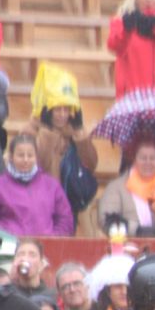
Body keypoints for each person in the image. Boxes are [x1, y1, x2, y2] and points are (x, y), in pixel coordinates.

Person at [22, 65, 99, 231]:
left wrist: (81, 138)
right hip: (40, 203)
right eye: (58, 109)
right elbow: (37, 164)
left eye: (67, 109)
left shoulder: (75, 132)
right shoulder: (30, 131)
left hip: (70, 202)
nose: (63, 114)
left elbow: (92, 164)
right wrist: (48, 136)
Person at [0, 133, 73, 236]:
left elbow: (65, 219)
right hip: (10, 245)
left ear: (36, 157)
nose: (26, 160)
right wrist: (6, 236)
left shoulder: (51, 185)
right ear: (11, 156)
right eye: (20, 155)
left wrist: (54, 237)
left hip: (46, 247)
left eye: (30, 155)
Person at [99, 135, 155, 238]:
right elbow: (107, 221)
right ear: (134, 159)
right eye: (143, 158)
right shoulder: (116, 187)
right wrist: (137, 230)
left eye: (153, 158)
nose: (148, 163)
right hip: (131, 247)